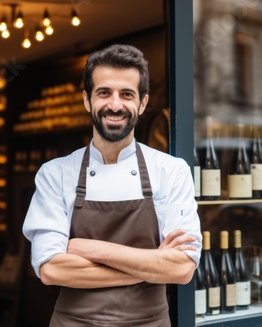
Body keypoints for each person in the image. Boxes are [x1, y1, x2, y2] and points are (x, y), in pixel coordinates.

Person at [22, 44, 202, 326]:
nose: (115, 105)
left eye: (126, 94)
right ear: (87, 99)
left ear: (142, 103)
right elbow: (51, 269)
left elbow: (181, 268)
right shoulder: (55, 174)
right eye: (104, 92)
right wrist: (154, 264)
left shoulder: (171, 171)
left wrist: (90, 249)